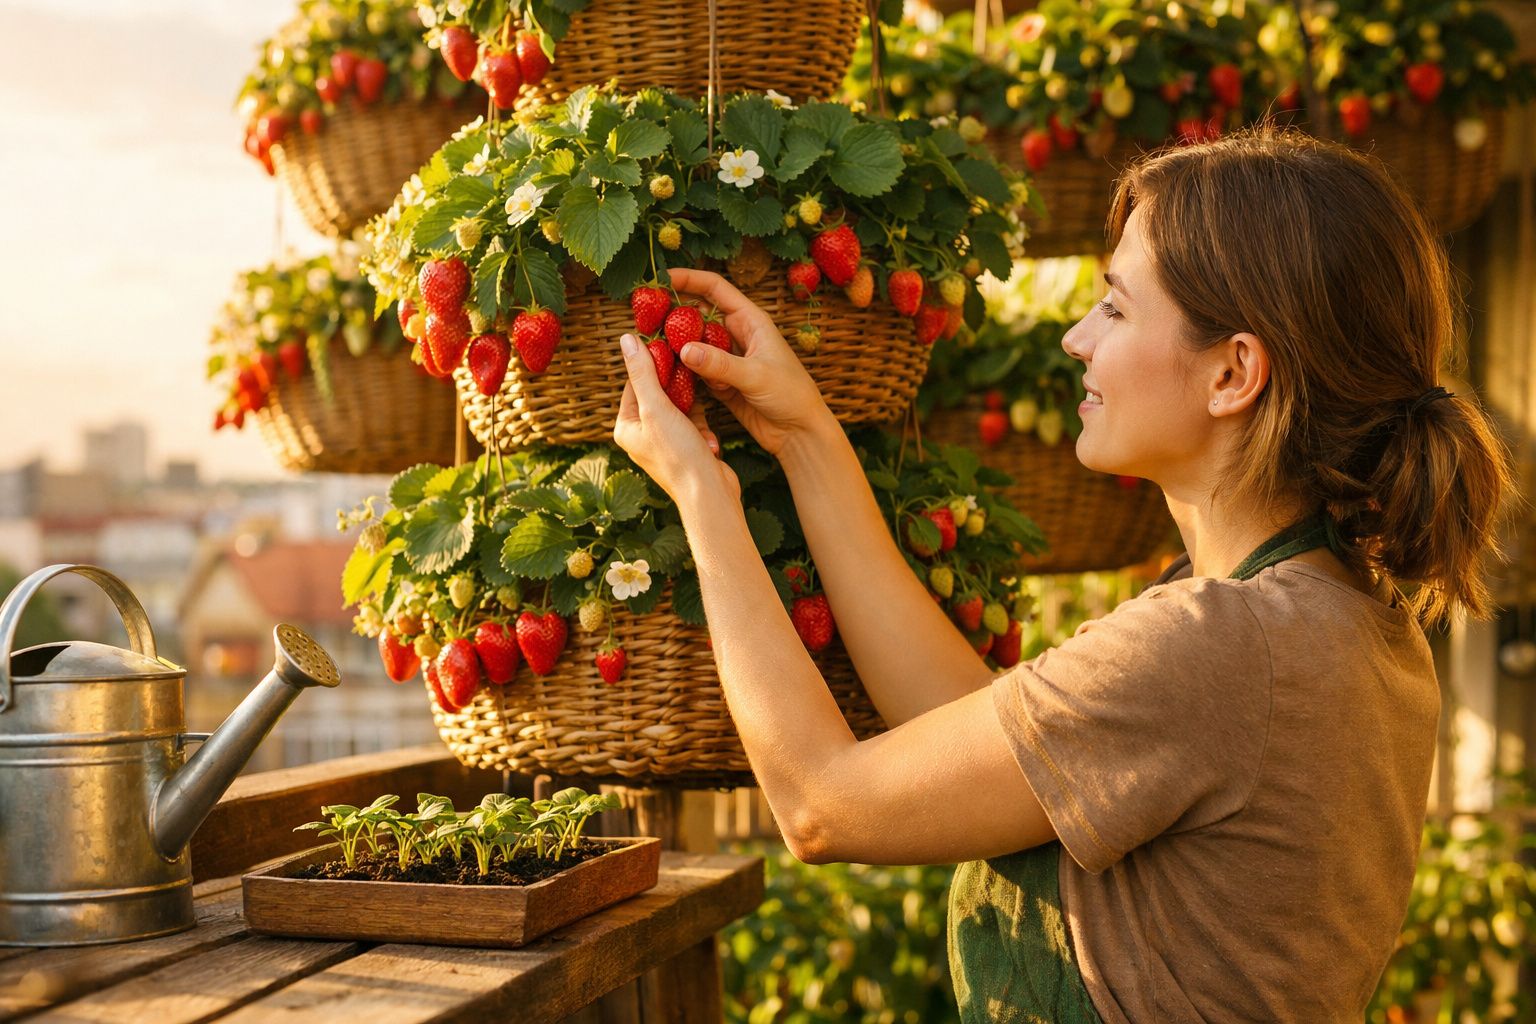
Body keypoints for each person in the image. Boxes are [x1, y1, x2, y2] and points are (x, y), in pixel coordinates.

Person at [610, 125, 1513, 1023]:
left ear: (1234, 372)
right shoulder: (1340, 618)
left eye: (1116, 308)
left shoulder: (1219, 646)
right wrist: (803, 437)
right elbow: (967, 733)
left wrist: (703, 494)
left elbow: (821, 803)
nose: (1078, 338)